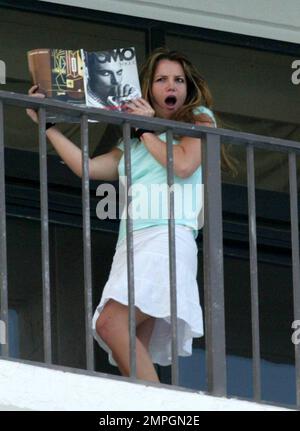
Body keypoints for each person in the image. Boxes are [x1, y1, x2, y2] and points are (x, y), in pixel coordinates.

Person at [27, 47, 232, 384]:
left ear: (187, 88)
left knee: (110, 323)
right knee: (135, 349)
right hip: (132, 245)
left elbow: (182, 165)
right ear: (147, 90)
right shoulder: (133, 143)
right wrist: (47, 124)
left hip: (166, 236)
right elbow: (88, 168)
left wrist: (145, 130)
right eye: (162, 79)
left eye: (178, 80)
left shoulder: (199, 118)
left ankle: (160, 411)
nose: (171, 86)